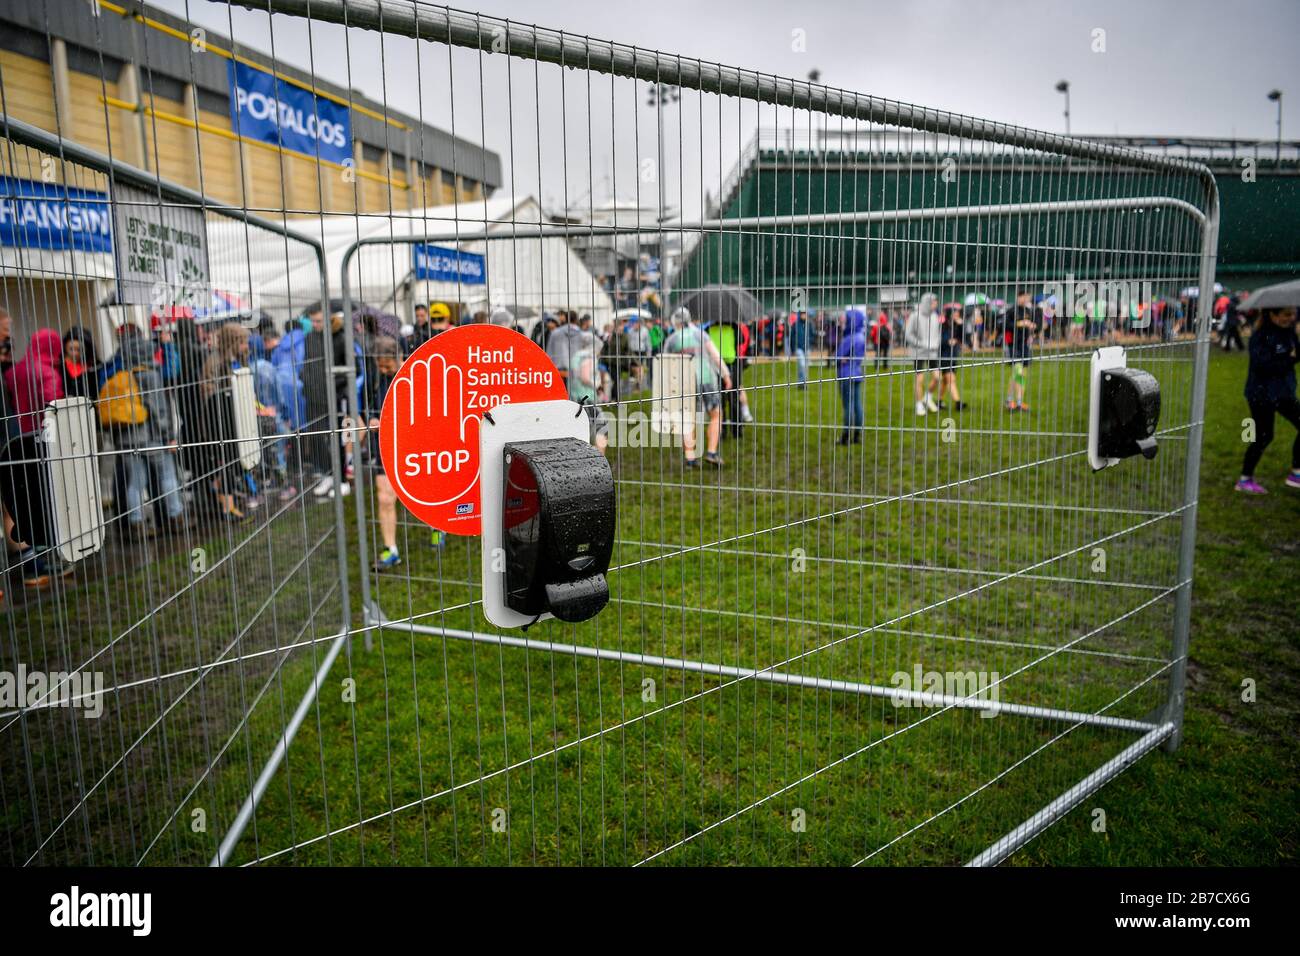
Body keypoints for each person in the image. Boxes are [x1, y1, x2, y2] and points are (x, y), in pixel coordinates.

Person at [100, 329, 186, 537]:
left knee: (135, 483)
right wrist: (168, 437)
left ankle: (136, 524)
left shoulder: (117, 375)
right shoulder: (151, 375)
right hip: (152, 438)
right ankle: (175, 517)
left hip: (127, 440)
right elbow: (159, 411)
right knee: (167, 476)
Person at [1235, 306, 1299, 493]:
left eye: (1293, 314)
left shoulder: (1289, 332)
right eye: (1287, 314)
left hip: (1283, 392)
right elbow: (1264, 366)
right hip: (1261, 394)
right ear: (1273, 315)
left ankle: (1296, 472)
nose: (1291, 317)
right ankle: (1245, 480)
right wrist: (1290, 358)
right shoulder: (1260, 336)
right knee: (1263, 436)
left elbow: (1292, 357)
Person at [663, 306, 730, 467]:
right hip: (706, 379)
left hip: (684, 383)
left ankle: (690, 458)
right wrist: (726, 374)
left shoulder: (672, 340)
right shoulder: (700, 335)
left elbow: (666, 364)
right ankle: (712, 452)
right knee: (716, 414)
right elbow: (715, 355)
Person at [365, 335, 404, 569]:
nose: (383, 369)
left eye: (387, 365)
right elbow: (368, 406)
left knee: (426, 493)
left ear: (398, 357)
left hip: (412, 446)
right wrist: (371, 418)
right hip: (384, 443)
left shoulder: (413, 375)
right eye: (379, 365)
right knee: (384, 497)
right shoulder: (375, 379)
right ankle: (391, 550)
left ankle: (436, 528)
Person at [565, 329, 609, 454]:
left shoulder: (575, 356)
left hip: (575, 397)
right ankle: (600, 459)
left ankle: (581, 457)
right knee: (602, 427)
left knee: (581, 429)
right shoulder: (589, 356)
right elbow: (585, 376)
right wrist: (597, 384)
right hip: (587, 398)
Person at [905, 293, 942, 417]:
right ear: (927, 302)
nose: (936, 304)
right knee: (919, 379)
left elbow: (937, 333)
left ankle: (928, 397)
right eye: (934, 302)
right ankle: (919, 403)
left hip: (932, 352)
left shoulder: (935, 316)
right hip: (918, 352)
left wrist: (936, 343)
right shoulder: (915, 316)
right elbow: (908, 335)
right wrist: (921, 344)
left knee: (937, 377)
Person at [1002, 291, 1040, 412]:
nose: (1026, 298)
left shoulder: (1029, 311)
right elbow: (1004, 325)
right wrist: (1020, 323)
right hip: (1013, 344)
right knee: (1018, 372)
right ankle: (1009, 400)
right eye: (1024, 296)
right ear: (1018, 297)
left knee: (1022, 373)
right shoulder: (1011, 310)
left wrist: (1033, 327)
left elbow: (1037, 326)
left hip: (1025, 345)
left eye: (1027, 296)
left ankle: (1019, 401)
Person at [835, 308, 868, 444]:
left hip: (846, 374)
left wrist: (840, 358)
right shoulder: (861, 336)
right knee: (857, 405)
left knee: (848, 406)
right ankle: (857, 435)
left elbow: (837, 357)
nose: (843, 321)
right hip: (857, 373)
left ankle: (845, 436)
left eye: (846, 319)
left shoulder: (849, 338)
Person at [938, 304, 967, 411]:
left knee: (946, 381)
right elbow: (939, 340)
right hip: (944, 356)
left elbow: (965, 338)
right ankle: (958, 402)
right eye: (955, 313)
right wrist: (947, 341)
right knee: (951, 379)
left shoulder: (956, 325)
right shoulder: (943, 325)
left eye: (958, 313)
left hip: (953, 356)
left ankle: (939, 401)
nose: (957, 315)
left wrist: (961, 325)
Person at [61, 328, 100, 402]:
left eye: (79, 350)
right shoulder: (60, 366)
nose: (75, 353)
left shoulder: (94, 365)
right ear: (65, 347)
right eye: (71, 349)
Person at [789, 310, 811, 388]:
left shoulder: (809, 324)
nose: (804, 315)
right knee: (802, 365)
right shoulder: (795, 324)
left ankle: (802, 383)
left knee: (805, 366)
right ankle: (803, 383)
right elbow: (792, 337)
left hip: (807, 348)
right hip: (798, 348)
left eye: (805, 314)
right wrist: (792, 349)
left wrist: (810, 341)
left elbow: (812, 333)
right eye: (802, 314)